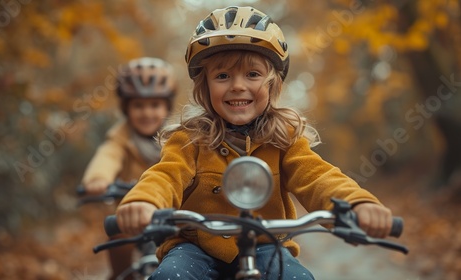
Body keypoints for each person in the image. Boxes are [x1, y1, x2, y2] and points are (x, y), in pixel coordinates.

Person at [115, 6, 393, 280]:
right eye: (222, 76)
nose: (237, 85)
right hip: (195, 248)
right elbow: (165, 175)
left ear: (272, 85)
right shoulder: (189, 139)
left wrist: (357, 204)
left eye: (253, 74)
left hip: (265, 245)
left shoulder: (284, 139)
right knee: (168, 277)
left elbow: (318, 177)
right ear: (205, 86)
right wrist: (144, 201)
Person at [81, 57, 177, 279]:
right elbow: (107, 156)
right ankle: (122, 275)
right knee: (118, 240)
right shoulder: (120, 138)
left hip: (175, 215)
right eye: (138, 106)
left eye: (155, 105)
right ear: (126, 108)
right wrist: (97, 179)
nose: (147, 113)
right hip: (131, 216)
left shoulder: (177, 136)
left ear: (167, 106)